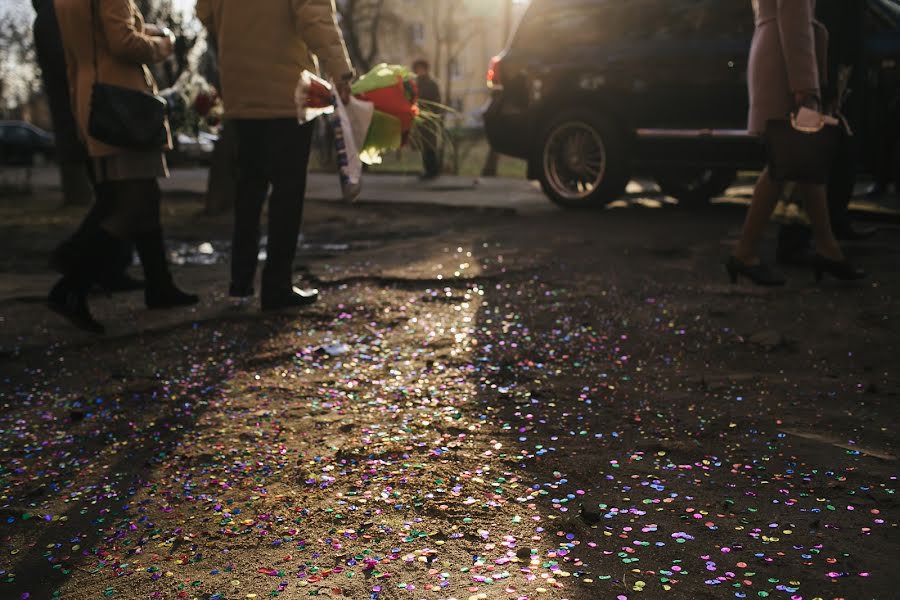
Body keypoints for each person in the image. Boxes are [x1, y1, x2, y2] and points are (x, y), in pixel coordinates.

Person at [51, 0, 198, 333]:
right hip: (122, 103)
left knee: (142, 197)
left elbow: (103, 33)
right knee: (135, 204)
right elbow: (123, 42)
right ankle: (72, 285)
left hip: (93, 95)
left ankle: (159, 284)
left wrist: (149, 29)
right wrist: (163, 45)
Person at [197, 0, 354, 311]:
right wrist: (340, 70)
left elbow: (204, 12)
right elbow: (315, 18)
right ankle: (276, 284)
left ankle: (240, 281)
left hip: (240, 91)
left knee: (249, 188)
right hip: (289, 94)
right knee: (287, 190)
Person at [727, 0, 865, 286]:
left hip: (778, 54)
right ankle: (745, 252)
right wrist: (805, 86)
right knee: (788, 158)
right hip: (786, 63)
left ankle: (828, 250)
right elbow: (794, 15)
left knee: (800, 159)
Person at [32, 0, 142, 292]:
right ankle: (73, 260)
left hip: (86, 114)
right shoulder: (59, 14)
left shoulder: (54, 14)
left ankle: (111, 269)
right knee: (119, 199)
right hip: (91, 116)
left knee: (121, 196)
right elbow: (85, 60)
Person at [776, 0, 876, 266]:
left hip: (842, 62)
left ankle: (831, 222)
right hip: (828, 65)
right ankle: (795, 237)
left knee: (838, 148)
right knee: (812, 155)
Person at [413, 59, 442, 180]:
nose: (420, 71)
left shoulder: (431, 84)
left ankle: (433, 171)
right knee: (423, 147)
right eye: (417, 69)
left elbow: (437, 101)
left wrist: (433, 115)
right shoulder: (415, 84)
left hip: (429, 119)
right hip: (419, 119)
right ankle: (427, 170)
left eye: (421, 69)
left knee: (430, 146)